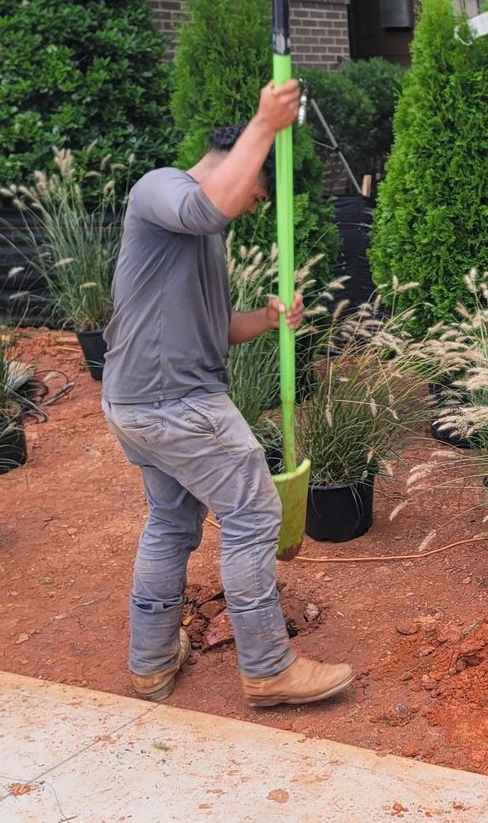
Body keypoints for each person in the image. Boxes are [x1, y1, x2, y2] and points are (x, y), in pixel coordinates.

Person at [101, 79, 356, 708]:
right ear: (235, 161)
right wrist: (266, 124)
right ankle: (268, 669)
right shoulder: (161, 188)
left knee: (171, 521)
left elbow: (213, 329)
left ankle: (151, 662)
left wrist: (265, 320)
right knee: (253, 515)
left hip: (141, 403)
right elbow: (210, 208)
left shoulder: (198, 236)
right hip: (176, 406)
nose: (251, 208)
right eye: (258, 195)